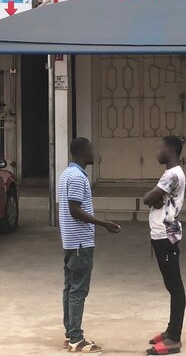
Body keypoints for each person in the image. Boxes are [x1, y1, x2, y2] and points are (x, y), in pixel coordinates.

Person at [58, 137, 121, 354]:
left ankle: (70, 334)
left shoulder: (66, 174)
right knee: (78, 290)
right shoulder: (77, 177)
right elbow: (75, 210)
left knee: (70, 288)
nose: (94, 153)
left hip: (70, 242)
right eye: (91, 149)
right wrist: (103, 223)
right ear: (83, 152)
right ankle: (76, 339)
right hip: (80, 243)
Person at [143, 136, 186, 356]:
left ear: (170, 150)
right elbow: (156, 199)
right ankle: (171, 330)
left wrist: (151, 198)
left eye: (160, 147)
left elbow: (147, 198)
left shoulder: (171, 175)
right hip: (162, 235)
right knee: (172, 286)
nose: (157, 151)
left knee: (175, 287)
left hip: (165, 236)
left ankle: (174, 339)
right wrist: (154, 199)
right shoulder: (172, 174)